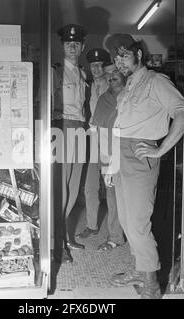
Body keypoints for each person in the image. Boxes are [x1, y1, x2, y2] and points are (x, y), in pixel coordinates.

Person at [104, 39, 184, 298]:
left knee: (138, 222)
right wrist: (112, 165)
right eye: (116, 58)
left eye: (124, 55)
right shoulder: (130, 84)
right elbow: (122, 127)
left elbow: (183, 113)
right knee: (126, 221)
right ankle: (140, 270)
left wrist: (160, 149)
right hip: (122, 154)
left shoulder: (157, 81)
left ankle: (152, 285)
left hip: (140, 155)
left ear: (139, 54)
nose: (119, 61)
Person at [51, 24, 88, 263]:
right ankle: (56, 241)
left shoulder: (83, 73)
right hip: (62, 126)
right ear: (62, 46)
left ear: (82, 46)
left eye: (76, 43)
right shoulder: (56, 71)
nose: (72, 47)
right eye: (68, 43)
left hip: (80, 127)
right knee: (61, 186)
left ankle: (64, 235)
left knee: (74, 186)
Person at [90, 61, 125, 251]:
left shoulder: (132, 96)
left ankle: (136, 239)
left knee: (133, 200)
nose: (111, 77)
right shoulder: (103, 99)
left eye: (116, 72)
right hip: (110, 155)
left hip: (130, 154)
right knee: (112, 198)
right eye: (108, 74)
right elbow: (100, 131)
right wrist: (106, 162)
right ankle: (115, 237)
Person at [77, 48, 111, 239]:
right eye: (93, 65)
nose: (97, 69)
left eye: (100, 65)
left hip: (109, 139)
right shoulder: (86, 85)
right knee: (90, 185)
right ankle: (92, 225)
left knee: (111, 186)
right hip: (91, 139)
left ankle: (116, 231)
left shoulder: (114, 84)